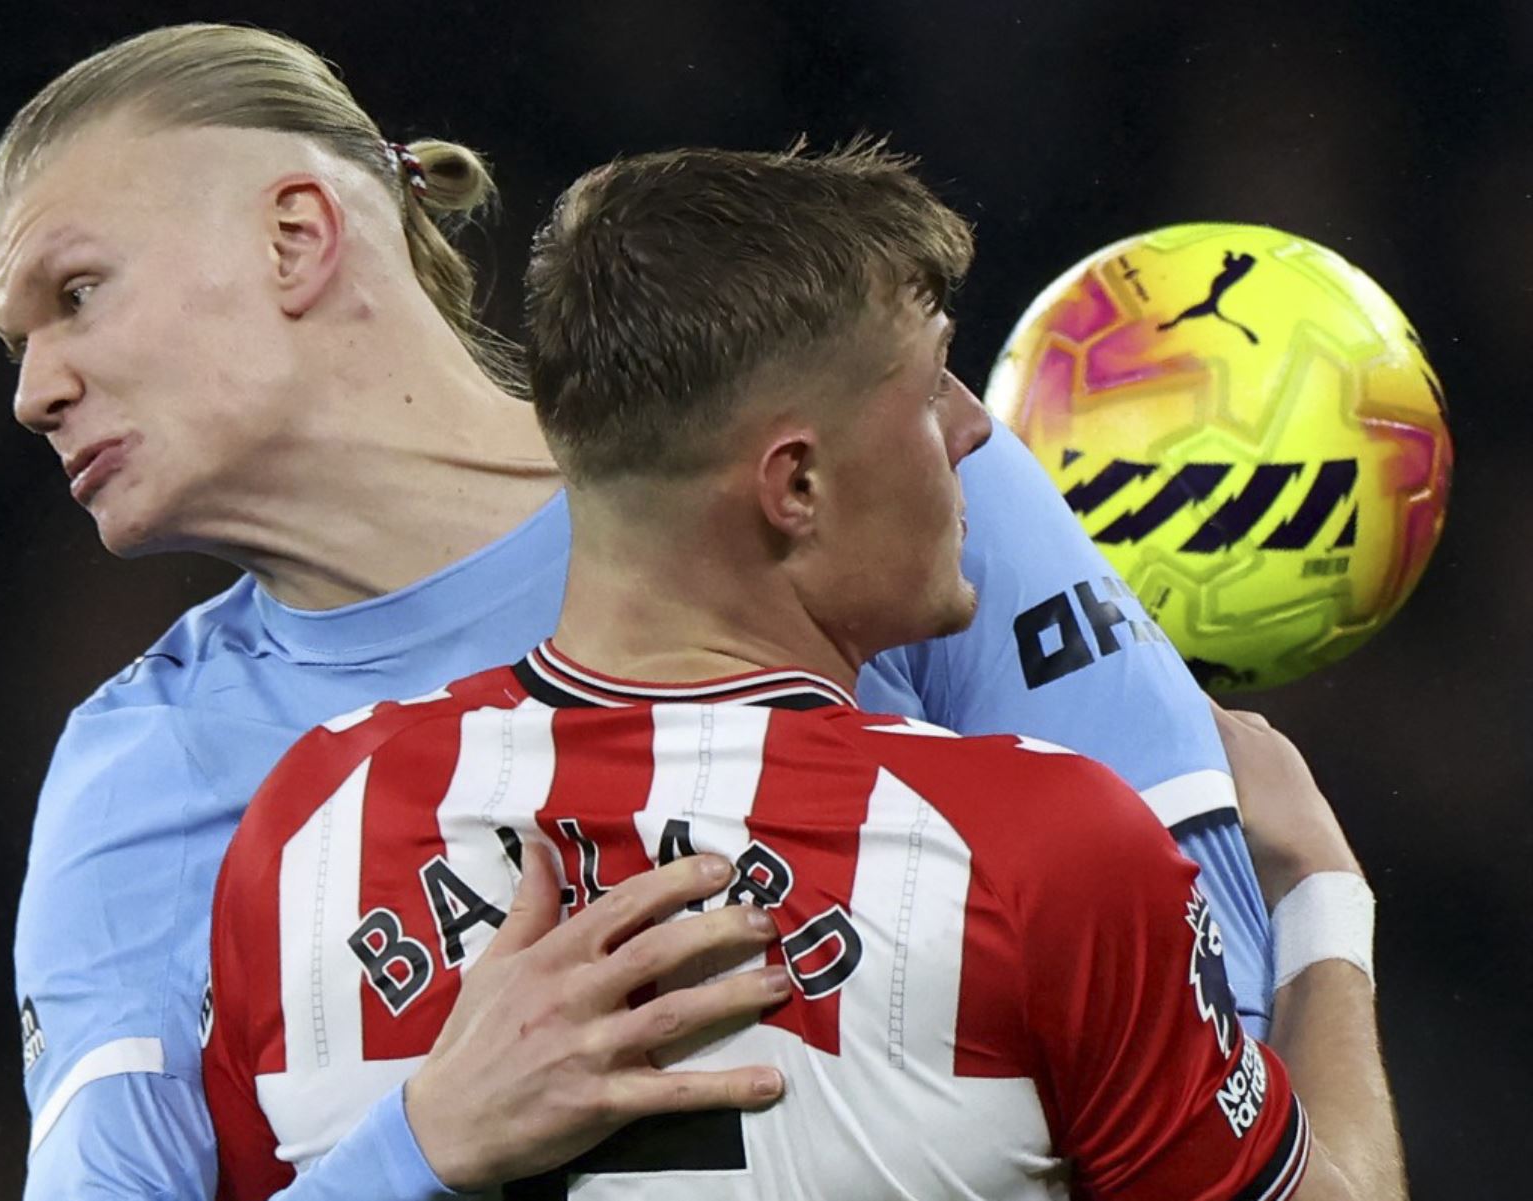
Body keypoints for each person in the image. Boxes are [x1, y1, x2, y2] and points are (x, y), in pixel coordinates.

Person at [0, 23, 1276, 1201]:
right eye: (14, 343)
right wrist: (421, 1143)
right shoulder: (139, 778)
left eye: (75, 294)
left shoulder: (863, 444)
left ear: (297, 235)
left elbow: (1208, 1013)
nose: (36, 389)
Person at [204, 143, 1404, 1200]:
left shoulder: (307, 836)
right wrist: (1320, 899)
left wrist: (411, 1151)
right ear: (796, 486)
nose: (975, 429)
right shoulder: (1044, 851)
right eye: (932, 380)